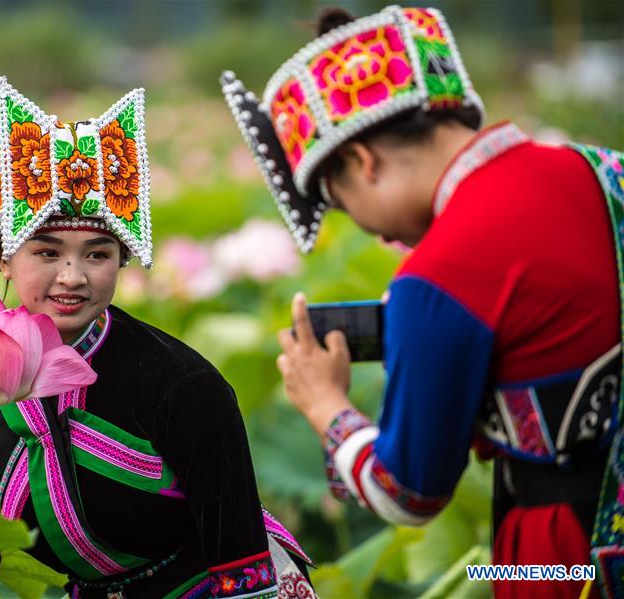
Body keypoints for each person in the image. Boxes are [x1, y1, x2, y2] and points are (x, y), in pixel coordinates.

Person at [221, 6, 623, 599]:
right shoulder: (603, 167)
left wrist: (327, 404)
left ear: (364, 163)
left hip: (564, 564)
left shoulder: (435, 278)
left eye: (339, 201)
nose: (366, 229)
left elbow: (409, 492)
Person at [0, 76, 316, 598]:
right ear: (4, 257)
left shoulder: (184, 386)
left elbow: (244, 573)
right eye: (47, 253)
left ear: (123, 261)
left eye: (97, 254)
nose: (73, 277)